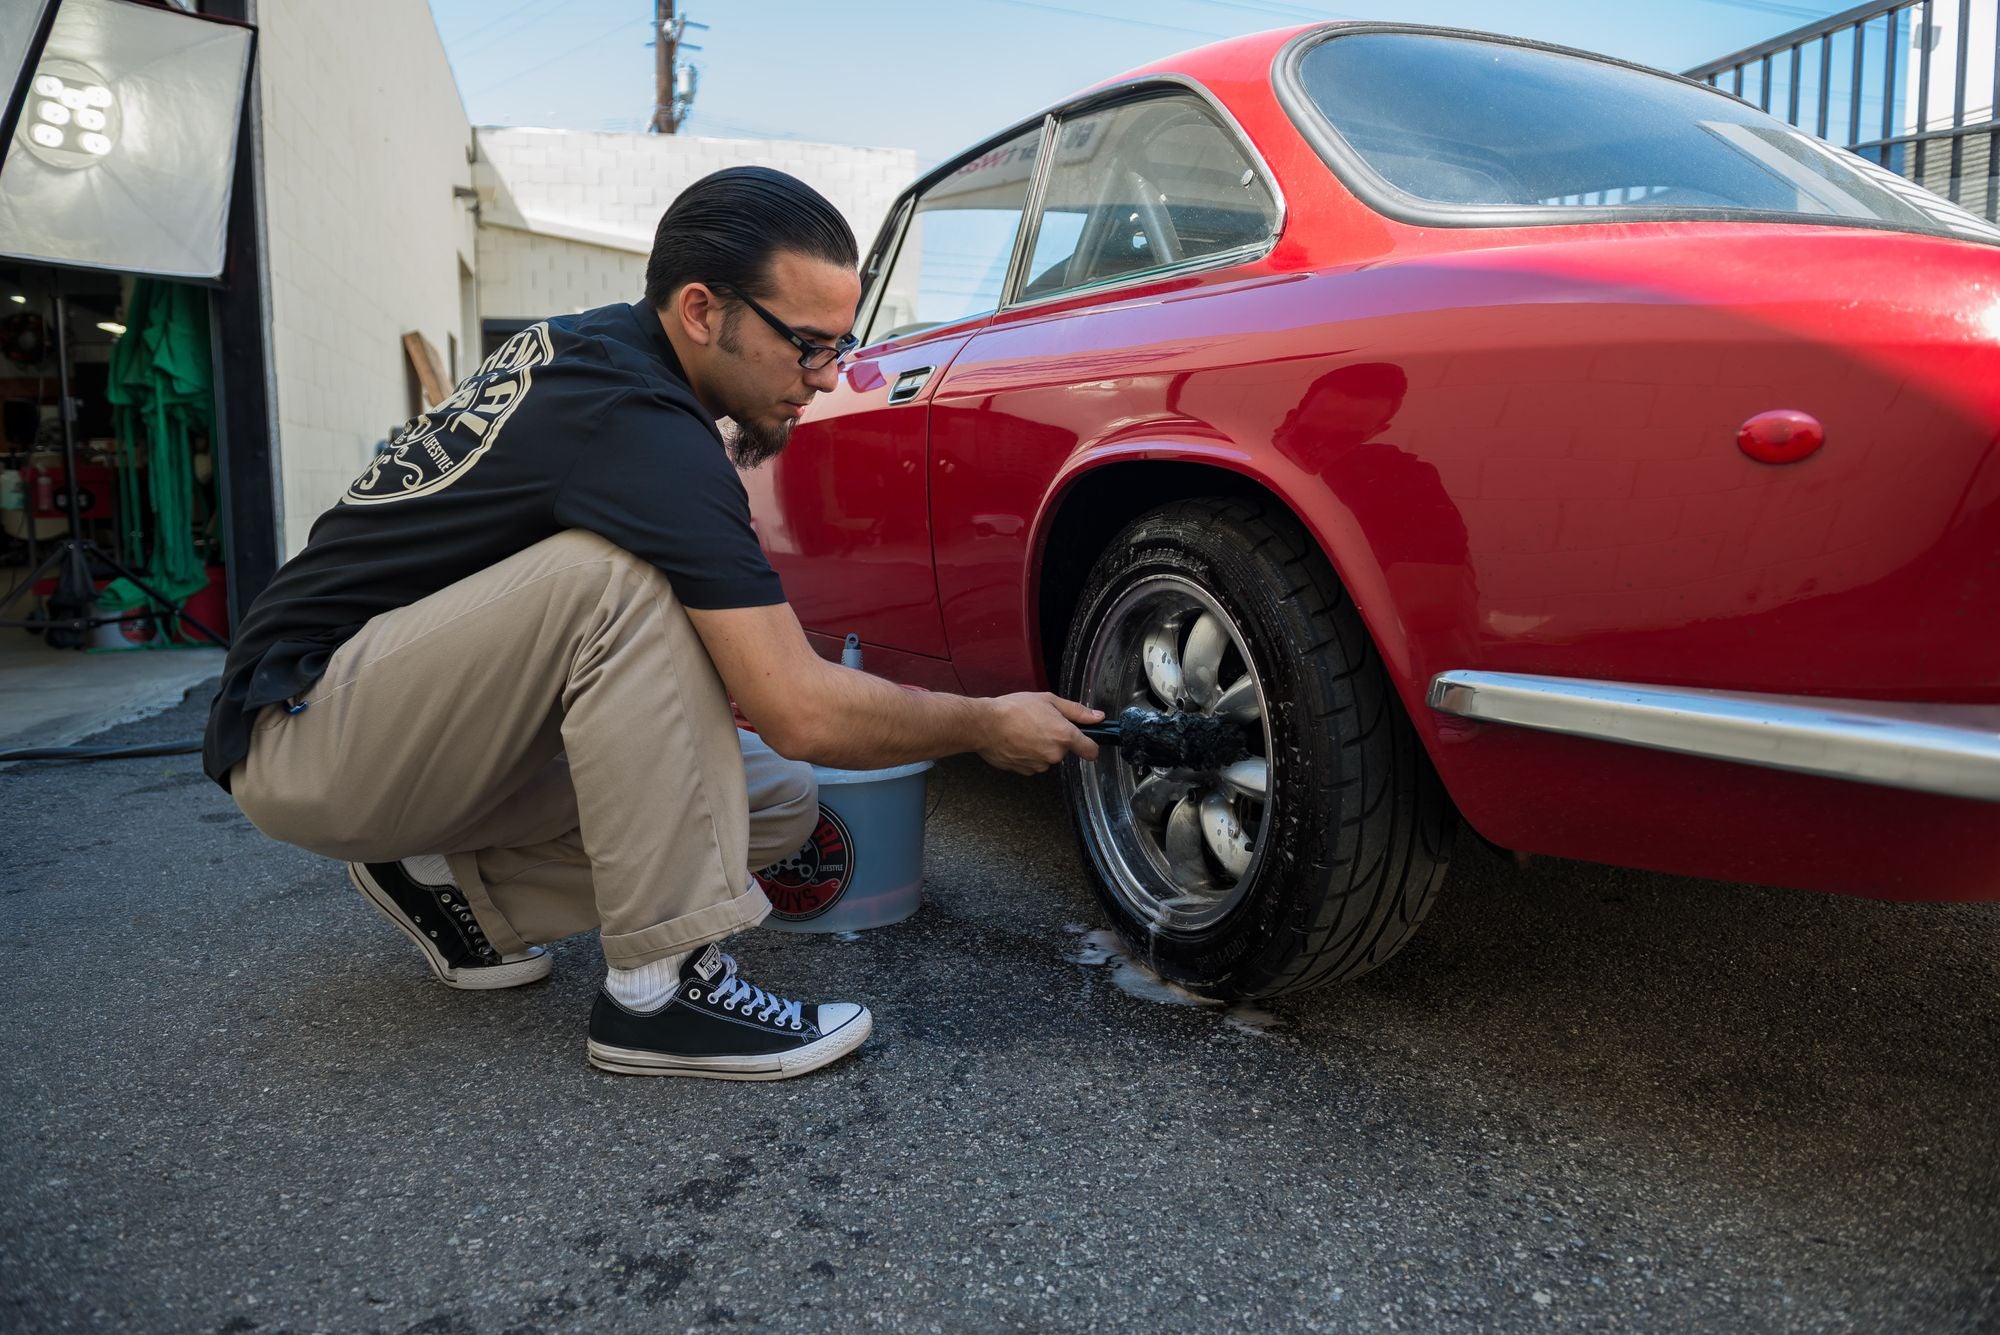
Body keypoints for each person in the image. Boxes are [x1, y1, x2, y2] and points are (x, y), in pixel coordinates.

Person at [203, 167, 1101, 1082]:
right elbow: (801, 708)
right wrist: (985, 722)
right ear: (703, 310)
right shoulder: (638, 424)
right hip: (307, 727)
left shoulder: (601, 358)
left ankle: (449, 887)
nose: (825, 381)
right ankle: (660, 992)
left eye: (842, 346)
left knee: (776, 800)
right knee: (619, 582)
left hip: (413, 723)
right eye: (805, 346)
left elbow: (774, 732)